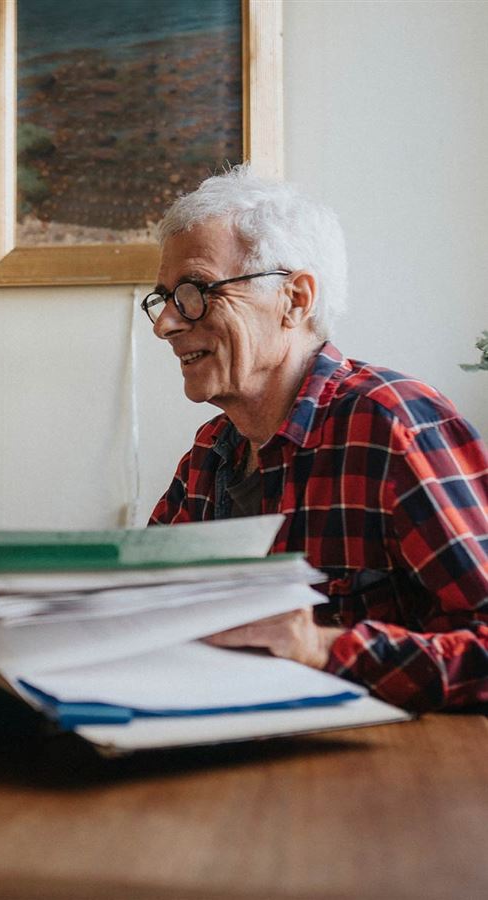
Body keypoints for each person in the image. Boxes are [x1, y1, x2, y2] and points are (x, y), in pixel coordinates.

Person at [143, 165, 488, 712]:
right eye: (162, 300)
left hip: (390, 777)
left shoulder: (393, 424)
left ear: (295, 299)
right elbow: (146, 614)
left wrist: (320, 647)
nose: (165, 324)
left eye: (194, 292)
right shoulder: (209, 454)